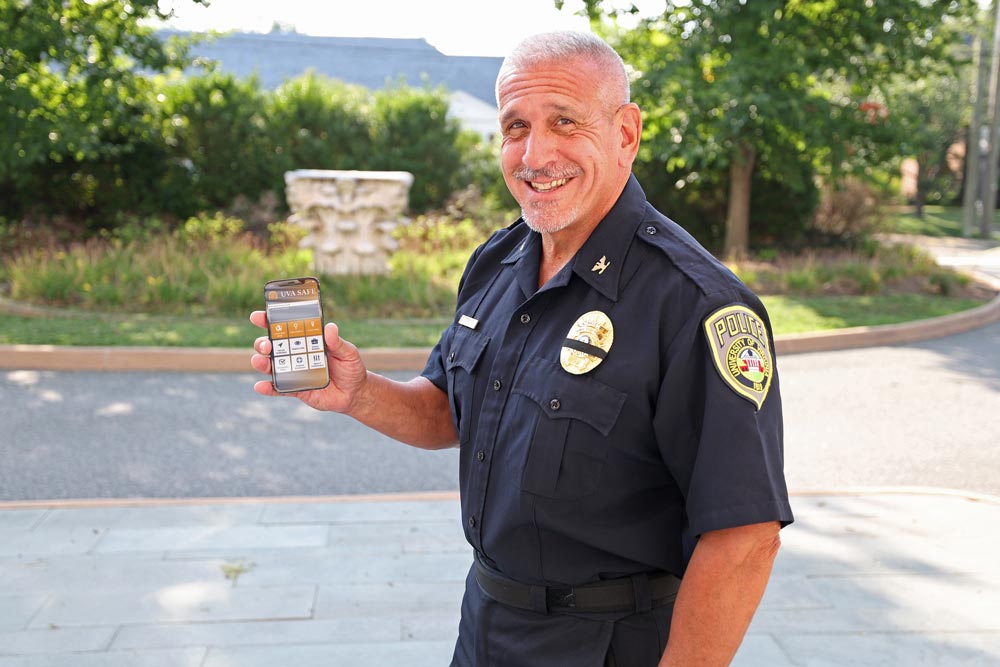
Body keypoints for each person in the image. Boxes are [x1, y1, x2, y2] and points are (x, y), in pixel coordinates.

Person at [250, 30, 793, 667]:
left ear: (625, 133)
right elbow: (453, 411)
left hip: (609, 646)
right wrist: (359, 393)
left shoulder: (698, 305)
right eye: (515, 127)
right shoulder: (498, 262)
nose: (536, 154)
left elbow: (743, 537)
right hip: (485, 626)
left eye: (564, 121)